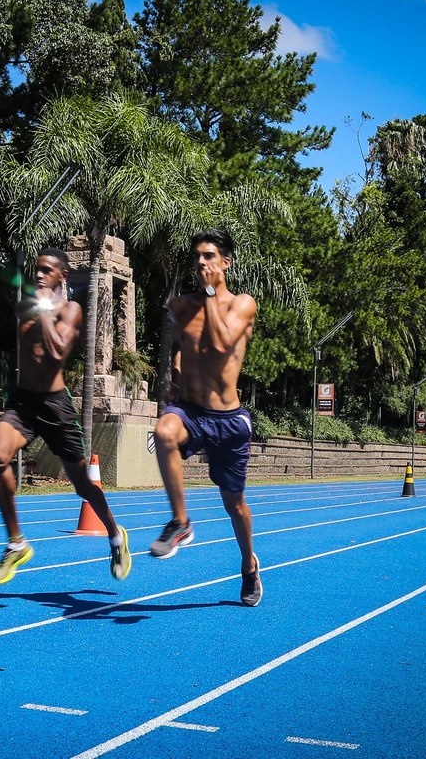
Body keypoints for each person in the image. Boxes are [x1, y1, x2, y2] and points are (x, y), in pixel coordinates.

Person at [0, 247, 132, 584]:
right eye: (37, 269)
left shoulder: (72, 310)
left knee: (83, 487)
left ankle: (115, 534)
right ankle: (16, 543)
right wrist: (39, 308)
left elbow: (57, 352)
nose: (39, 275)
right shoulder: (25, 306)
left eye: (48, 270)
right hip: (23, 403)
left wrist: (48, 311)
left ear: (61, 277)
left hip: (55, 406)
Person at [150, 230, 262, 607]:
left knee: (235, 506)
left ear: (225, 263)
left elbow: (219, 344)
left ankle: (248, 564)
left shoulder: (243, 304)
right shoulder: (181, 306)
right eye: (197, 257)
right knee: (164, 430)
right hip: (192, 411)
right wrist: (174, 381)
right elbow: (182, 347)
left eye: (210, 256)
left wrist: (212, 295)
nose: (201, 263)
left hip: (228, 420)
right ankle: (181, 522)